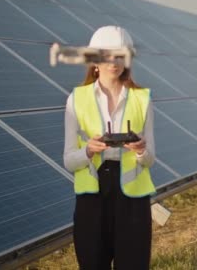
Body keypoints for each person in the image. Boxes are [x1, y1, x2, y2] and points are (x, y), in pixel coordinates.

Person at [63, 26, 157, 270]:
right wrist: (89, 151)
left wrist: (140, 150)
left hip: (133, 201)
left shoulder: (142, 99)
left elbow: (150, 160)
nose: (114, 62)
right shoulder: (76, 99)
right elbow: (69, 161)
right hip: (92, 198)